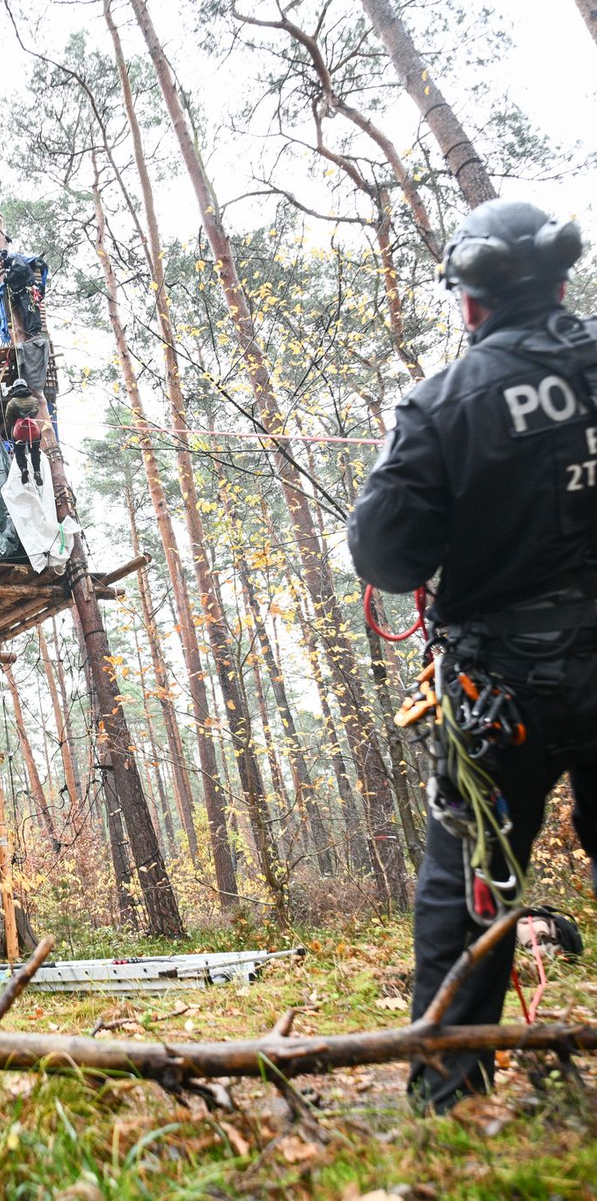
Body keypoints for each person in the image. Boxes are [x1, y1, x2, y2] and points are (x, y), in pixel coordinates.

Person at [348, 198, 596, 1114]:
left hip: (504, 686)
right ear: (563, 279)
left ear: (469, 302)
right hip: (527, 676)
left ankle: (453, 1094)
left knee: (469, 885)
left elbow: (386, 556)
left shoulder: (443, 404)